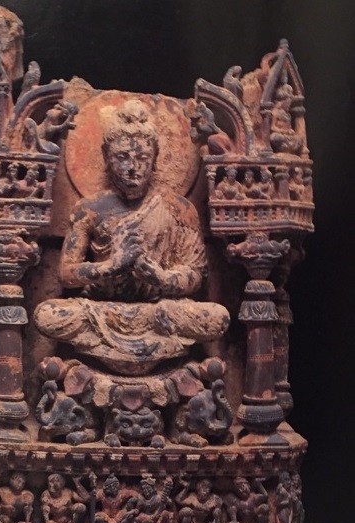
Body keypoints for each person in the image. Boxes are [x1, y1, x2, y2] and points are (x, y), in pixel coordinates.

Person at [35, 100, 229, 370]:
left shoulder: (179, 208)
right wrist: (112, 265)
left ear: (155, 158)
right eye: (122, 157)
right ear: (106, 156)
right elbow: (67, 274)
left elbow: (195, 275)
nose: (132, 167)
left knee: (217, 317)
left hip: (160, 312)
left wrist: (160, 277)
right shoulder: (89, 208)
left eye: (142, 158)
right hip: (103, 312)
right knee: (47, 315)